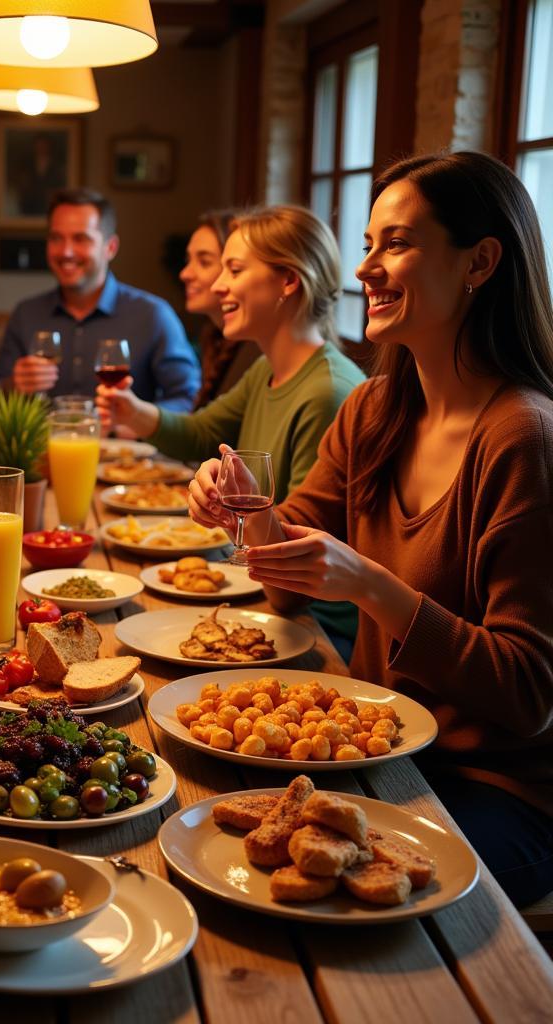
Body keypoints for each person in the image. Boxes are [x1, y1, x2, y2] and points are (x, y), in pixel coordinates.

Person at [189, 152, 553, 906]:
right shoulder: (376, 410)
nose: (365, 270)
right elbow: (288, 589)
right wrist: (250, 509)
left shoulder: (523, 437)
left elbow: (529, 694)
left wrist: (374, 589)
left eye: (397, 243)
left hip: (493, 788)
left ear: (481, 261)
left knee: (316, 891)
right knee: (203, 834)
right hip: (379, 749)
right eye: (367, 245)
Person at [98, 205, 364, 651]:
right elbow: (202, 433)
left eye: (234, 269)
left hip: (314, 632)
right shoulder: (267, 368)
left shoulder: (327, 393)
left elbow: (292, 571)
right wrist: (134, 412)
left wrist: (239, 509)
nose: (218, 284)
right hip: (263, 593)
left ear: (288, 281)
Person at [0, 187, 200, 410]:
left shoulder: (153, 314)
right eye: (56, 238)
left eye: (81, 239)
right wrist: (12, 384)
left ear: (110, 247)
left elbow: (188, 397)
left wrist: (140, 423)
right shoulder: (26, 314)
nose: (66, 252)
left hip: (123, 445)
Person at [183, 209, 260, 408]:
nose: (185, 274)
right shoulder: (213, 336)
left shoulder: (259, 351)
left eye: (204, 262)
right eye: (188, 260)